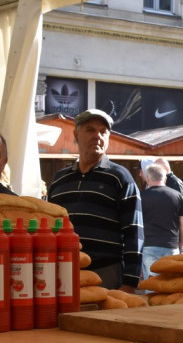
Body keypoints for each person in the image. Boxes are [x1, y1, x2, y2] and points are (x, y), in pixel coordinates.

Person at [48, 109, 143, 291]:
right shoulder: (59, 180)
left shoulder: (120, 177)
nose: (97, 136)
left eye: (103, 131)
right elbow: (51, 227)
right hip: (62, 271)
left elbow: (134, 233)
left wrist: (130, 283)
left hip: (105, 273)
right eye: (90, 130)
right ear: (76, 134)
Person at [140, 163, 183, 279]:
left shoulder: (141, 197)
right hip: (171, 246)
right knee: (170, 284)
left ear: (148, 179)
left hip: (149, 245)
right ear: (165, 179)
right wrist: (181, 245)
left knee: (152, 285)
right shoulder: (178, 196)